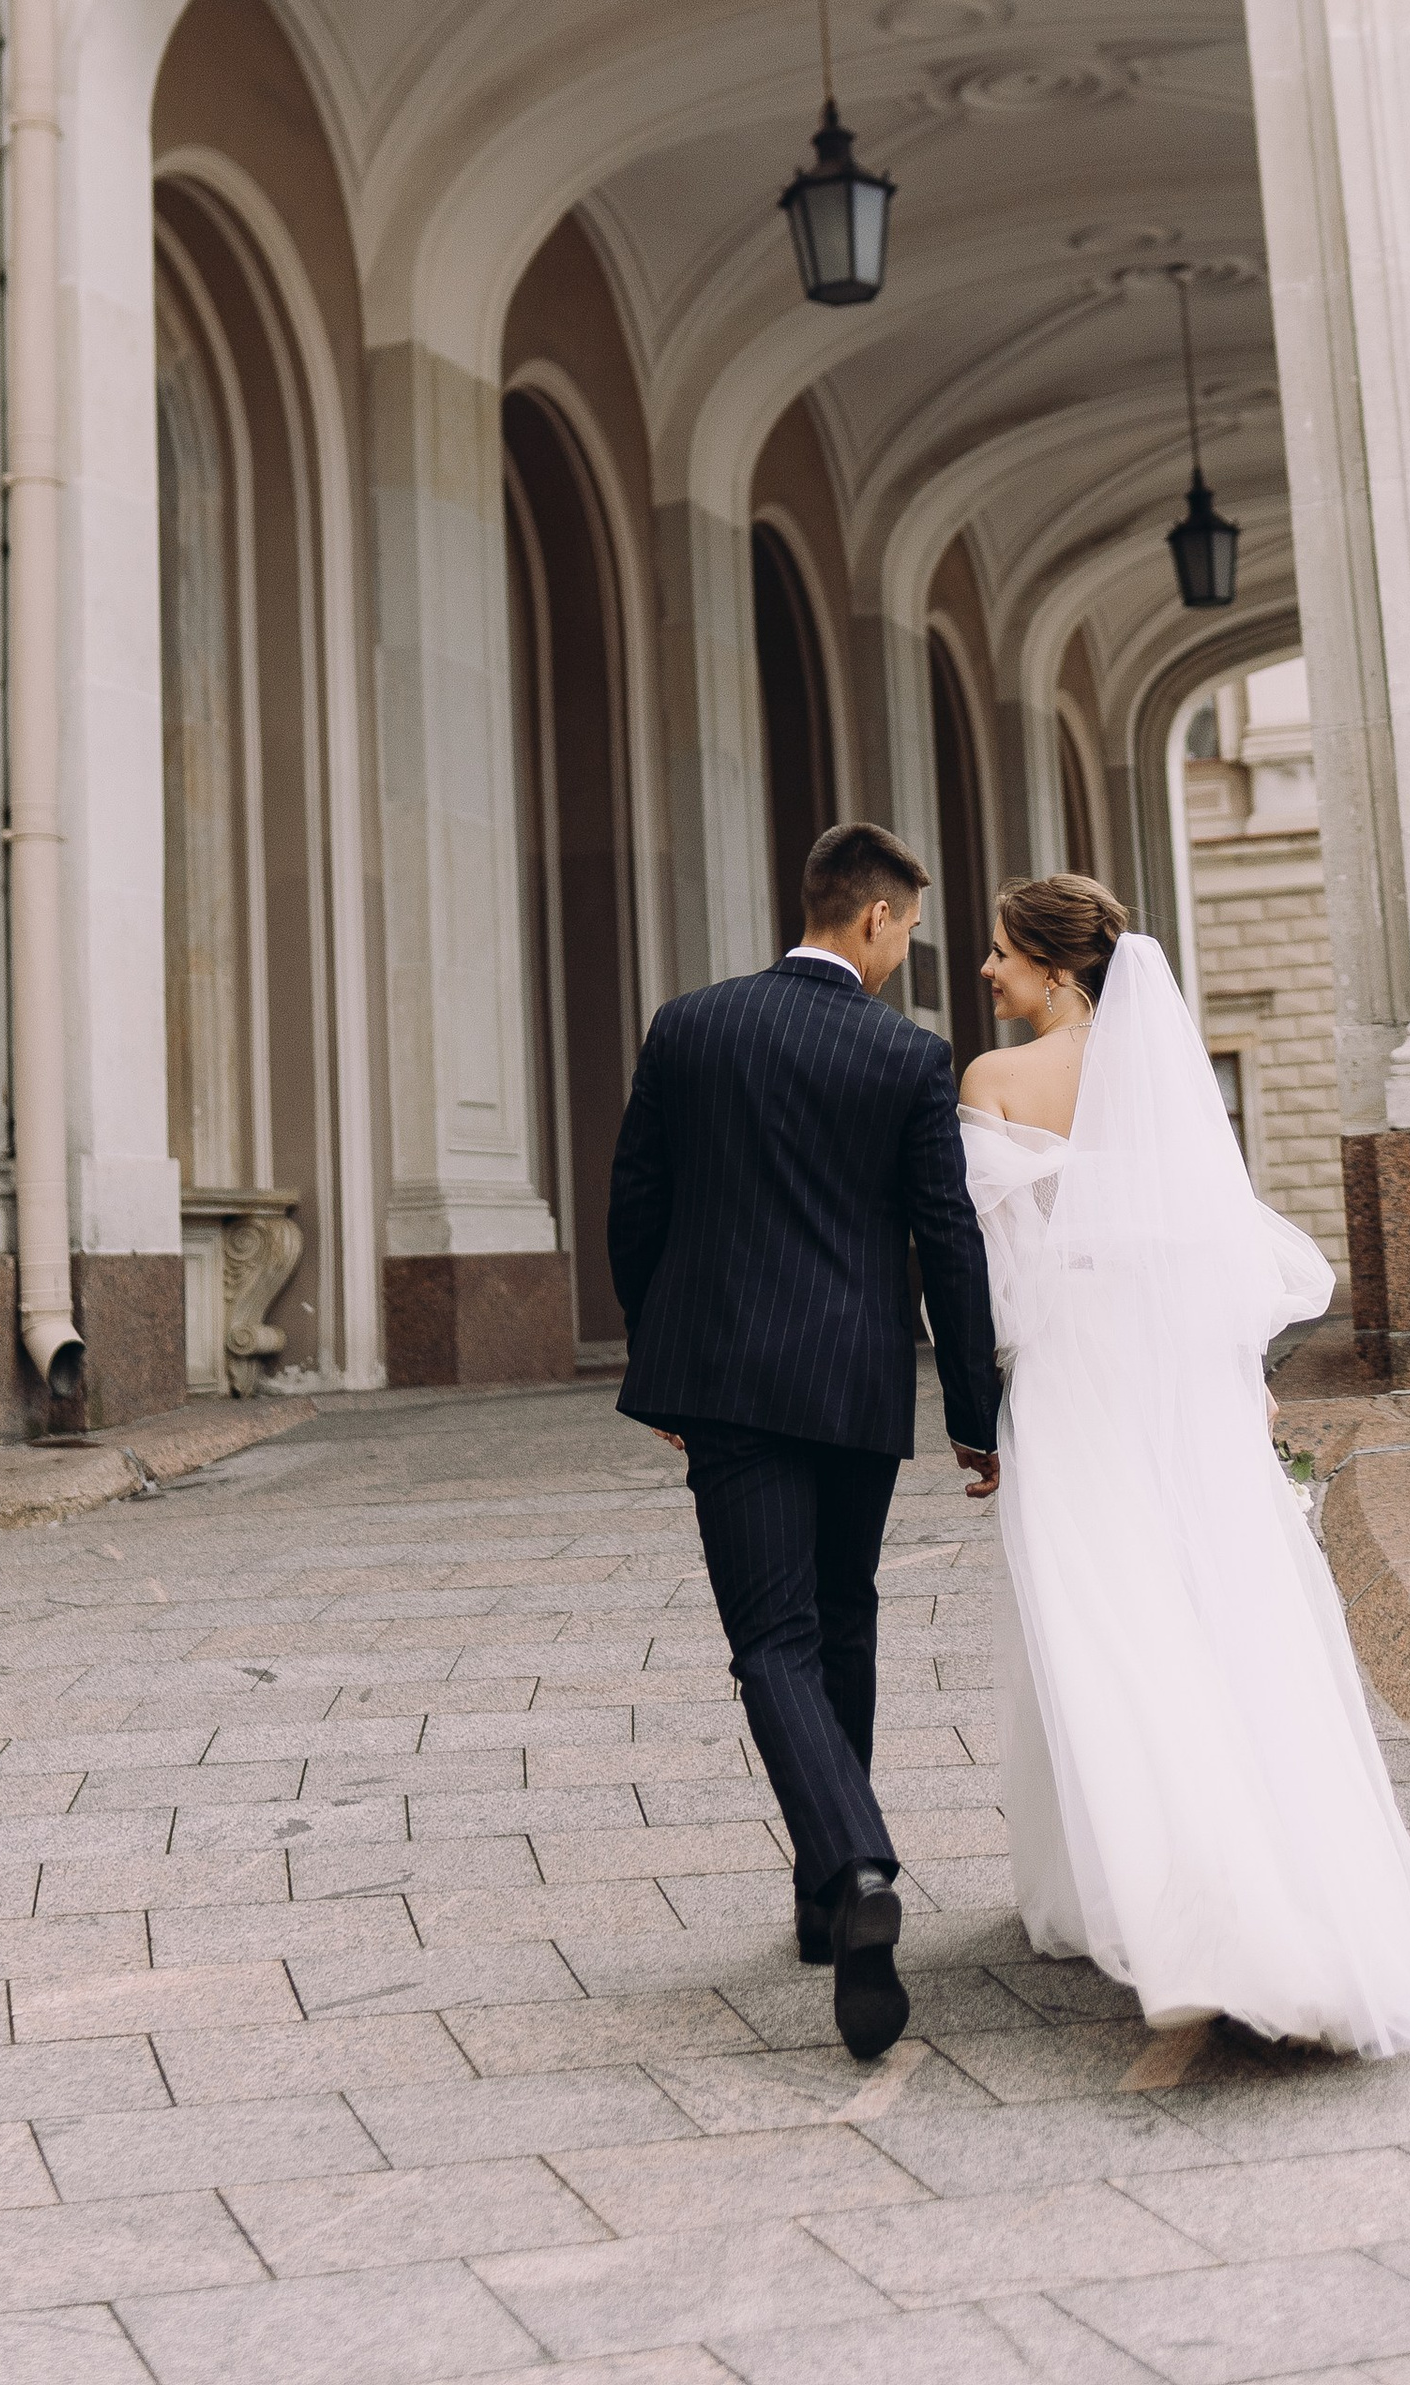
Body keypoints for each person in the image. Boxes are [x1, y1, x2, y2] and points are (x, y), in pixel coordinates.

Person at [960, 871, 1410, 2054]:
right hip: (1182, 1370)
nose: (985, 970)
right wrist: (1239, 1372)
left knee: (1100, 1618)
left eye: (1000, 951)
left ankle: (1182, 1905)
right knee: (1220, 1607)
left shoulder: (993, 1079)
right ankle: (1287, 1891)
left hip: (1073, 1372)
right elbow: (1211, 1242)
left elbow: (996, 1275)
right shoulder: (1163, 1075)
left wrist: (984, 1385)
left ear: (1055, 965)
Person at [608, 820, 1002, 2060]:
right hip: (853, 1385)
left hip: (725, 1381)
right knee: (842, 1619)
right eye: (908, 932)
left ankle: (849, 1870)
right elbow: (948, 1238)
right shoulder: (907, 1053)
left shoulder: (690, 1025)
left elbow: (636, 1204)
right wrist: (975, 1414)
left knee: (771, 1641)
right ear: (875, 916)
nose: (903, 953)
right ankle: (831, 1896)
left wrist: (662, 1360)